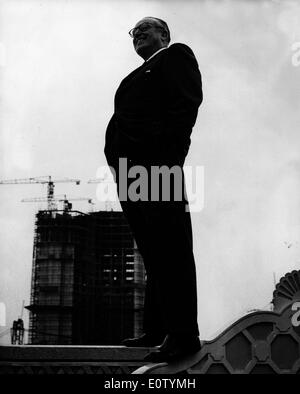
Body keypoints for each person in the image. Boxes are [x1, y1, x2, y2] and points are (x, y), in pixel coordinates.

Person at [104, 16, 203, 362]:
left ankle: (183, 334)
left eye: (145, 28)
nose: (138, 33)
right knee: (152, 250)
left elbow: (186, 105)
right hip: (129, 176)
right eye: (134, 31)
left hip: (158, 166)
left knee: (171, 246)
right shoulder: (132, 77)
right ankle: (158, 328)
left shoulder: (176, 56)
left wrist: (168, 152)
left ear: (164, 34)